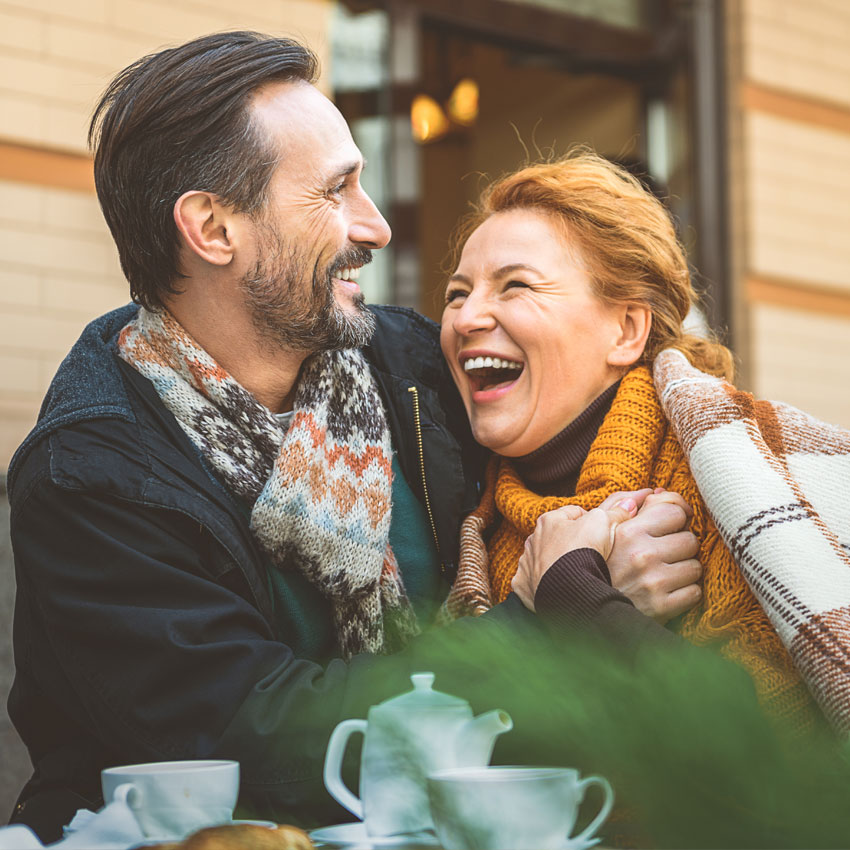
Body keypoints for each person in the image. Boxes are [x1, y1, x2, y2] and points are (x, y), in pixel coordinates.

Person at [5, 34, 697, 843]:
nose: (375, 225)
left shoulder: (409, 366)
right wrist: (545, 621)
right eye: (335, 192)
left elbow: (582, 409)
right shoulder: (93, 472)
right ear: (213, 228)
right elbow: (259, 739)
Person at [440, 150, 844, 736]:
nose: (466, 317)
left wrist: (574, 594)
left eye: (516, 286)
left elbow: (780, 764)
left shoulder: (732, 488)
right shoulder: (469, 518)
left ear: (627, 330)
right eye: (457, 293)